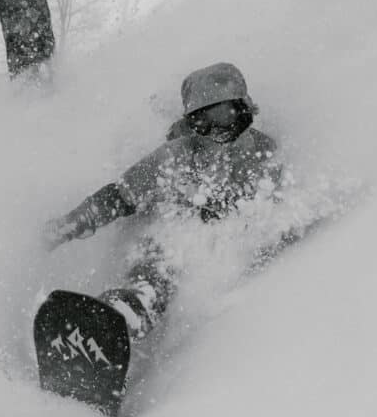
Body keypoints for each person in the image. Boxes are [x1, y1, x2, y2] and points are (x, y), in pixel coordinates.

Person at [42, 62, 281, 338]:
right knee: (163, 258)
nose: (217, 129)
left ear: (244, 109)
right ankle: (123, 311)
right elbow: (121, 195)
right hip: (171, 235)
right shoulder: (179, 155)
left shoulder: (265, 154)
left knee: (190, 254)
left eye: (223, 115)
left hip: (226, 245)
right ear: (192, 124)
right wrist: (71, 224)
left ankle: (124, 319)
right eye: (203, 121)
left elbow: (280, 213)